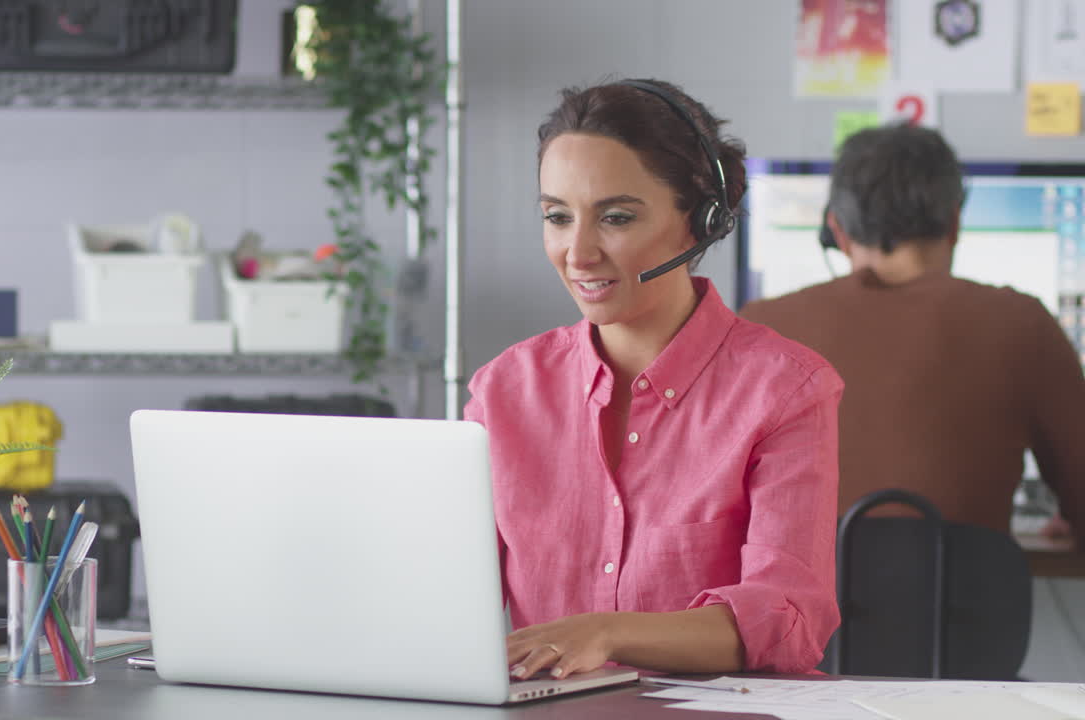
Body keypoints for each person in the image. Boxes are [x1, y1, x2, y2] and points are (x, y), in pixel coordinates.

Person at [463, 79, 844, 679]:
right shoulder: (503, 392)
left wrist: (608, 631)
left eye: (615, 217)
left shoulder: (785, 389)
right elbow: (451, 605)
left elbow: (788, 617)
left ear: (701, 222)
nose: (578, 252)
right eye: (557, 218)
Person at [739, 123, 1085, 546]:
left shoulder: (759, 330)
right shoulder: (1023, 323)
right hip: (964, 608)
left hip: (799, 612)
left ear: (837, 229)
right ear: (955, 223)